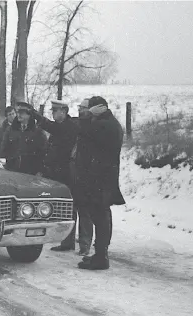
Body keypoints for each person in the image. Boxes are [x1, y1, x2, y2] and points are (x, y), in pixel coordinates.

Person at [31, 99, 92, 255]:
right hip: (63, 174)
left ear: (63, 111)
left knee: (82, 209)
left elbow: (53, 128)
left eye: (55, 111)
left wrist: (37, 116)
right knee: (68, 209)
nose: (53, 114)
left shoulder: (70, 126)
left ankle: (85, 245)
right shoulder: (61, 127)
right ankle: (67, 241)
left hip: (74, 174)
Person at [73, 96, 126, 270]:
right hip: (100, 178)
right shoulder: (106, 123)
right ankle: (100, 254)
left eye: (91, 108)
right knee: (99, 215)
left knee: (101, 217)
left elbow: (85, 132)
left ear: (101, 108)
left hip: (101, 179)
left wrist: (84, 118)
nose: (88, 111)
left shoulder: (106, 125)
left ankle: (101, 256)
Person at [0, 101, 47, 175]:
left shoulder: (38, 132)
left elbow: (43, 154)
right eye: (17, 112)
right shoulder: (10, 130)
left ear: (29, 114)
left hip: (31, 173)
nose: (18, 115)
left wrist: (39, 171)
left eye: (22, 113)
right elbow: (3, 150)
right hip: (12, 171)